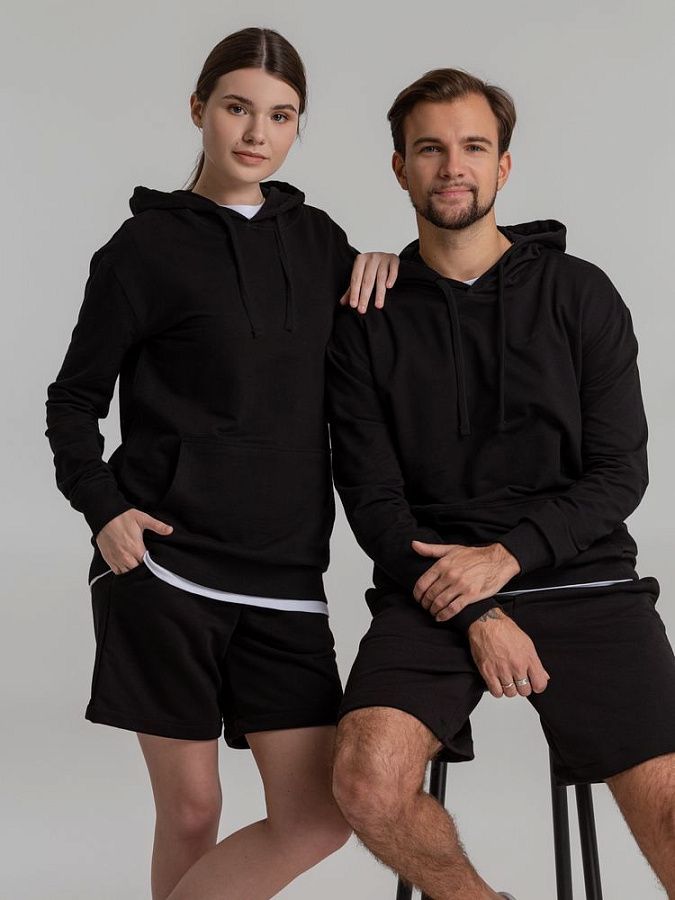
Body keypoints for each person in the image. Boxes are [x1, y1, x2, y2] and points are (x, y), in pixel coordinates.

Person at [44, 27, 400, 900]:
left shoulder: (318, 241)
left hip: (284, 572)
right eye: (238, 108)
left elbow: (385, 345)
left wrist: (390, 262)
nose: (256, 132)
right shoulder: (142, 249)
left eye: (280, 115)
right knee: (192, 810)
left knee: (316, 817)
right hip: (165, 563)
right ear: (199, 108)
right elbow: (73, 402)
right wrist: (104, 509)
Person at [326, 67, 675, 900]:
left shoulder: (579, 293)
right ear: (399, 167)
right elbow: (372, 502)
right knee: (366, 784)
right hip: (433, 588)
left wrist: (505, 559)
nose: (453, 166)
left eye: (473, 147)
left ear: (503, 166)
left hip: (584, 579)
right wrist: (476, 608)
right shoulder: (366, 316)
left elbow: (619, 472)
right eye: (430, 149)